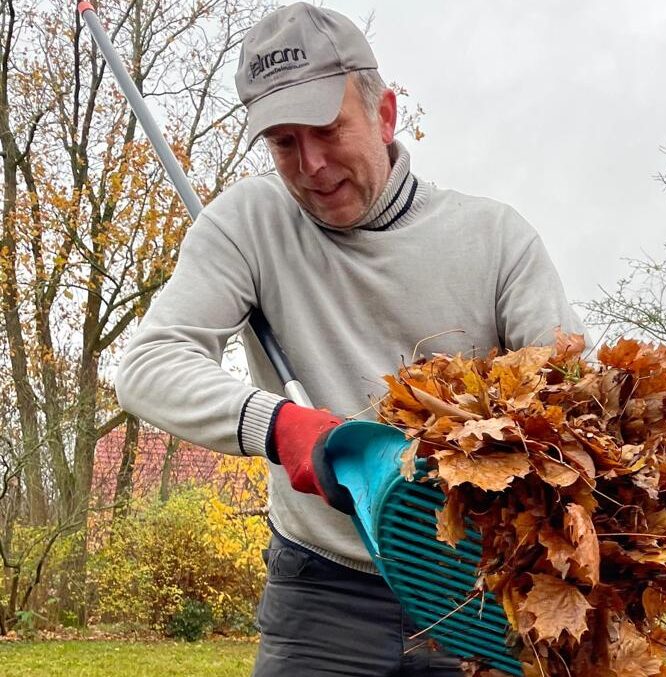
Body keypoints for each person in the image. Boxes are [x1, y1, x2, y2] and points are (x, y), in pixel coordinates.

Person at [114, 4, 585, 675]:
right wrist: (278, 422)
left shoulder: (495, 241)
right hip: (320, 592)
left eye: (327, 130)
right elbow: (149, 366)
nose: (309, 164)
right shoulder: (251, 224)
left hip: (472, 590)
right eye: (282, 142)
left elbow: (573, 413)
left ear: (384, 114)